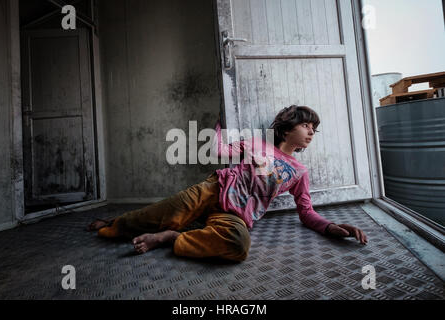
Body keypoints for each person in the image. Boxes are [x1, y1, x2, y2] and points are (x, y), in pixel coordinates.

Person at [87, 105, 368, 262]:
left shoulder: (299, 172)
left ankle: (173, 237)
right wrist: (218, 125)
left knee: (237, 245)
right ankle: (116, 224)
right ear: (288, 126)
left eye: (314, 129)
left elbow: (306, 213)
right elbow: (220, 151)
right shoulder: (259, 142)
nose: (311, 132)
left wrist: (332, 227)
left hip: (237, 214)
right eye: (307, 125)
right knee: (167, 212)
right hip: (216, 189)